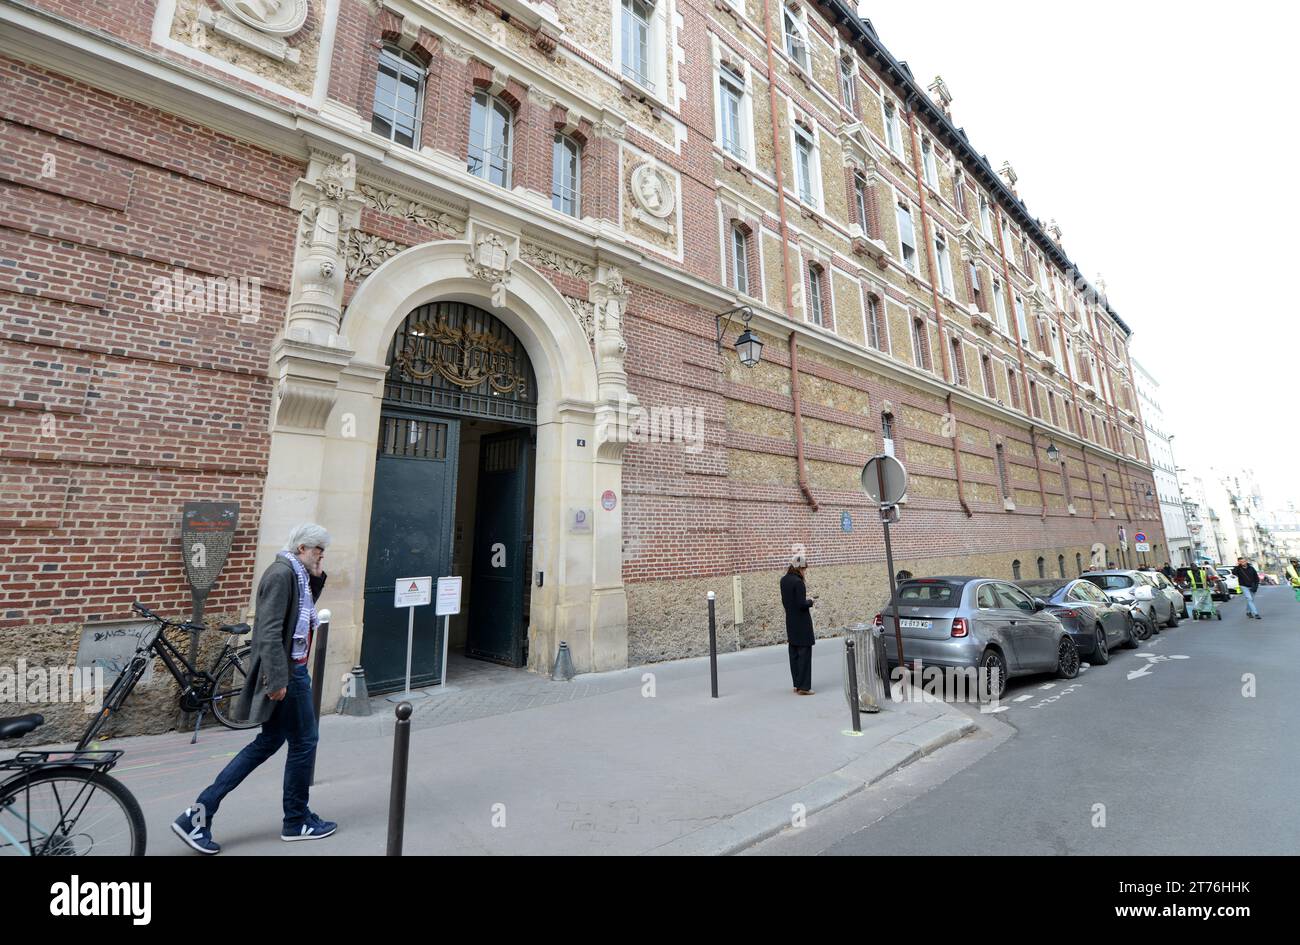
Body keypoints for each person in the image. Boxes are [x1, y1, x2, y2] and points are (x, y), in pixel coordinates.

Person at [173, 523, 335, 854]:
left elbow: (298, 611)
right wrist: (277, 680)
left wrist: (317, 574)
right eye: (318, 549)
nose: (321, 554)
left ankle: (197, 816)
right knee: (305, 742)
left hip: (290, 669)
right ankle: (296, 820)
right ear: (302, 547)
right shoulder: (280, 574)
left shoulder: (298, 575)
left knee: (269, 742)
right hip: (289, 672)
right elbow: (270, 630)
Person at [780, 552, 817, 695]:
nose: (804, 572)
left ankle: (796, 684)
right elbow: (801, 604)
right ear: (799, 568)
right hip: (802, 622)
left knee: (794, 653)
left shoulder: (784, 580)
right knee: (804, 654)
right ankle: (804, 687)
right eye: (804, 569)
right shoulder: (798, 582)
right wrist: (811, 602)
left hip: (790, 620)